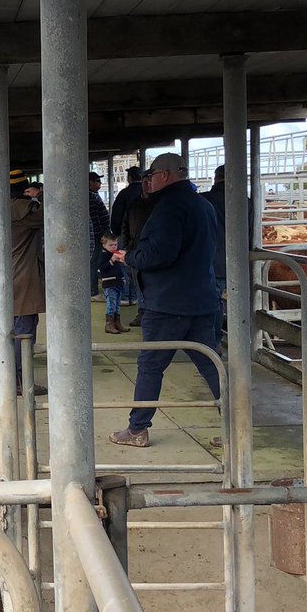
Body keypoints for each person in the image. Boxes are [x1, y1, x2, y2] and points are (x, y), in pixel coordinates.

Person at [108, 153, 222, 448]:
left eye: (151, 175)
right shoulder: (203, 205)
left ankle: (137, 430)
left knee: (151, 366)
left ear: (166, 176)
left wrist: (128, 257)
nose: (147, 181)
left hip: (168, 303)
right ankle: (236, 428)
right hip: (203, 299)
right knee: (213, 365)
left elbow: (160, 254)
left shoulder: (169, 207)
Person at [199, 164, 254, 343]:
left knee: (213, 302)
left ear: (215, 178)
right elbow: (251, 232)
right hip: (238, 261)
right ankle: (241, 341)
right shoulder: (245, 202)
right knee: (238, 301)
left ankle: (214, 340)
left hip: (209, 260)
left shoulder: (203, 200)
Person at [8, 170, 48, 396]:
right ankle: (21, 382)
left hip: (2, 278)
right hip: (21, 279)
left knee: (6, 332)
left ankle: (10, 379)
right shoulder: (22, 210)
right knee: (24, 334)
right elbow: (52, 213)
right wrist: (40, 195)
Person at [122, 171, 158, 326]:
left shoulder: (162, 203)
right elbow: (124, 225)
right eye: (145, 181)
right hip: (135, 250)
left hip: (154, 252)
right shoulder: (133, 204)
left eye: (151, 181)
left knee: (154, 284)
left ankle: (152, 313)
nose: (147, 184)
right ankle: (142, 311)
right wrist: (125, 247)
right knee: (138, 283)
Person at [111, 166, 144, 306]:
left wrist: (116, 233)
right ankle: (137, 297)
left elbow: (116, 215)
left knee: (124, 265)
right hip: (142, 237)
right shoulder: (146, 192)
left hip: (125, 235)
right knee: (138, 266)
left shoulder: (124, 194)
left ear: (129, 178)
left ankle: (124, 296)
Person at [99, 232, 130, 334]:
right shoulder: (103, 255)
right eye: (110, 245)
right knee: (111, 304)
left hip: (118, 282)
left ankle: (117, 323)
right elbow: (102, 268)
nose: (113, 247)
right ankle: (109, 324)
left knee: (117, 304)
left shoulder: (115, 254)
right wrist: (112, 260)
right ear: (104, 245)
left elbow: (119, 268)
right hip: (109, 283)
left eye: (115, 244)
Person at [87, 171, 110, 300]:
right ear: (90, 183)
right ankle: (92, 290)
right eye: (97, 181)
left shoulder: (87, 196)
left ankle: (91, 288)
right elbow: (101, 218)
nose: (100, 184)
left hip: (91, 235)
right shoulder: (93, 197)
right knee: (93, 262)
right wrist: (105, 233)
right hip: (95, 235)